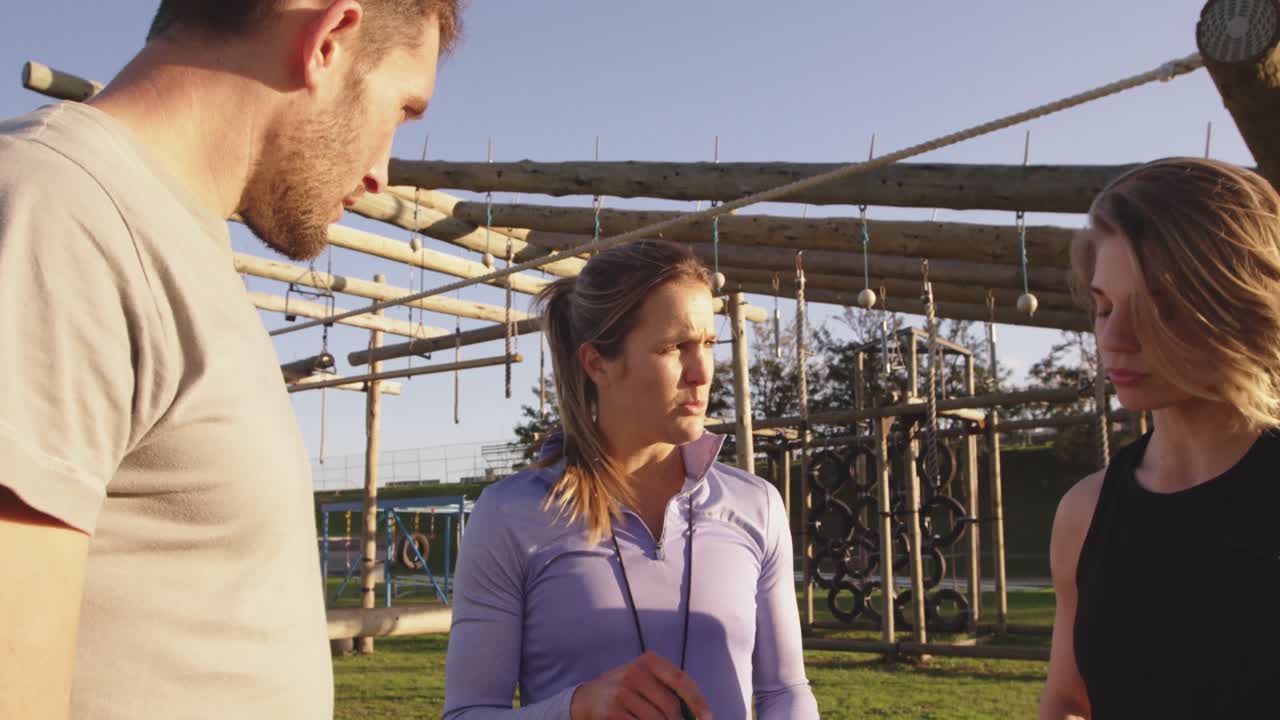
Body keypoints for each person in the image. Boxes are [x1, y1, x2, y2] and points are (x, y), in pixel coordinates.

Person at [0, 1, 462, 717]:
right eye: (401, 110)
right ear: (330, 40)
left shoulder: (171, 241)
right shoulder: (54, 208)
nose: (381, 174)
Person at [442, 240, 819, 720]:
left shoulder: (756, 505)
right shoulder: (510, 517)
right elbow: (466, 713)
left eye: (707, 343)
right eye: (673, 347)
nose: (702, 372)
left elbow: (786, 692)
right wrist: (575, 709)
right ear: (598, 362)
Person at [1039, 157, 1280, 719]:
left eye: (1157, 308)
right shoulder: (1085, 513)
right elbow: (1071, 701)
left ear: (1240, 306)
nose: (1113, 338)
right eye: (1103, 307)